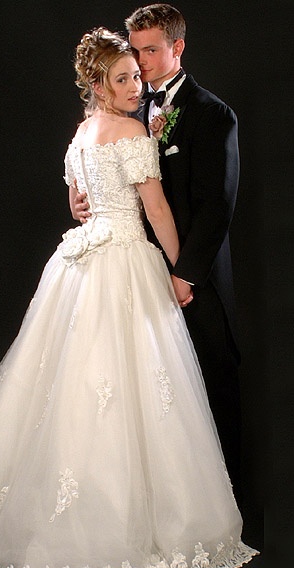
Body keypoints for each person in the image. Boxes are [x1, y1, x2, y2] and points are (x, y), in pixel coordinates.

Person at [0, 26, 257, 568]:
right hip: (125, 259)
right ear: (98, 84)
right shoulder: (131, 131)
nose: (136, 86)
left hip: (81, 262)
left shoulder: (81, 132)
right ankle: (129, 521)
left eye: (136, 75)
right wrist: (180, 272)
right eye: (123, 79)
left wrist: (85, 205)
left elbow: (78, 198)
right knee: (130, 381)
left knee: (71, 380)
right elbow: (157, 211)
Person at [72, 4, 244, 507]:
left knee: (206, 377)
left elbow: (217, 206)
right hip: (130, 269)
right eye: (136, 51)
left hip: (191, 271)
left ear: (177, 47)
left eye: (151, 50)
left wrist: (186, 273)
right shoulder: (126, 107)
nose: (142, 63)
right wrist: (81, 202)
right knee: (133, 388)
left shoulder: (211, 114)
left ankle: (221, 498)